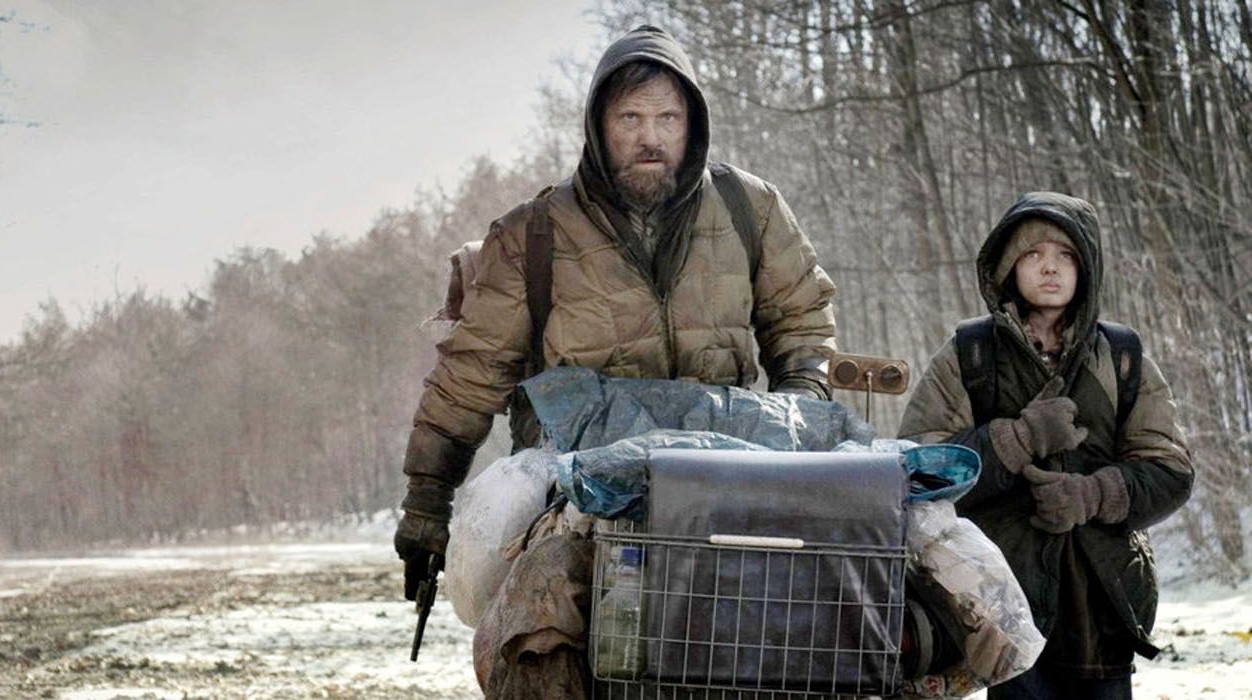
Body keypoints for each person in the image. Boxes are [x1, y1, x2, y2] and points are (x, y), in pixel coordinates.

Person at [393, 25, 838, 603]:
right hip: (574, 492)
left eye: (667, 119)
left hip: (726, 473)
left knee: (796, 625)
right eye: (630, 118)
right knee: (543, 631)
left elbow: (802, 323)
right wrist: (427, 504)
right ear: (598, 126)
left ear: (692, 124)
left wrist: (796, 415)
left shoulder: (749, 208)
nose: (650, 137)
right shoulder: (532, 236)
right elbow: (469, 380)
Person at [899, 192, 1194, 698]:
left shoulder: (1122, 356)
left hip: (1103, 608)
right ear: (1008, 267)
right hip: (1003, 607)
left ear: (1086, 268)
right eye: (1033, 255)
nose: (1049, 268)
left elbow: (1170, 470)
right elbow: (915, 473)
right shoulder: (969, 354)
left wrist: (1094, 495)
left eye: (1065, 256)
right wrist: (1016, 440)